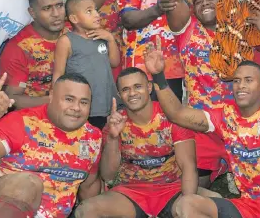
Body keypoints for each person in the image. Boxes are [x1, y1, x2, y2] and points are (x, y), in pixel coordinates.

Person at [148, 45, 260, 218]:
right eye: (236, 80)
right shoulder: (225, 116)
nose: (241, 85)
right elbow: (177, 114)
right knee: (186, 205)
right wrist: (158, 77)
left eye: (248, 80)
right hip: (248, 205)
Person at [166, 0, 260, 189]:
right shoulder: (187, 30)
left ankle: (235, 169)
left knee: (256, 185)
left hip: (240, 120)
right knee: (197, 186)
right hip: (202, 121)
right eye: (198, 1)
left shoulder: (239, 27)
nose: (205, 3)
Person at [0, 73, 103, 218]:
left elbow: (89, 186)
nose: (76, 107)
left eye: (84, 102)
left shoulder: (92, 137)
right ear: (51, 96)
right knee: (28, 184)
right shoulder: (23, 122)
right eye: (69, 99)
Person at [73, 67, 197, 218]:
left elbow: (189, 166)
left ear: (149, 87)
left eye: (137, 87)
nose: (132, 93)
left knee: (212, 205)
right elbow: (108, 175)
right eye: (126, 89)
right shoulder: (115, 123)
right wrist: (112, 137)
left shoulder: (172, 117)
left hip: (172, 190)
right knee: (86, 210)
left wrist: (188, 204)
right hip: (130, 193)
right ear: (119, 95)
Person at [53, 0, 120, 129]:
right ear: (74, 18)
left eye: (96, 10)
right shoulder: (66, 41)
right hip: (81, 105)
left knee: (104, 138)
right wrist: (56, 101)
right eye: (89, 11)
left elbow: (114, 62)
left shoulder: (102, 36)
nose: (96, 14)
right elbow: (58, 73)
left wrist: (111, 39)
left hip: (105, 102)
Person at [0, 0, 65, 110]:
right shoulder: (20, 48)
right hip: (32, 119)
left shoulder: (73, 33)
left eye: (59, 6)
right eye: (47, 8)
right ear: (32, 13)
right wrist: (56, 100)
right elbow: (12, 98)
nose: (56, 14)